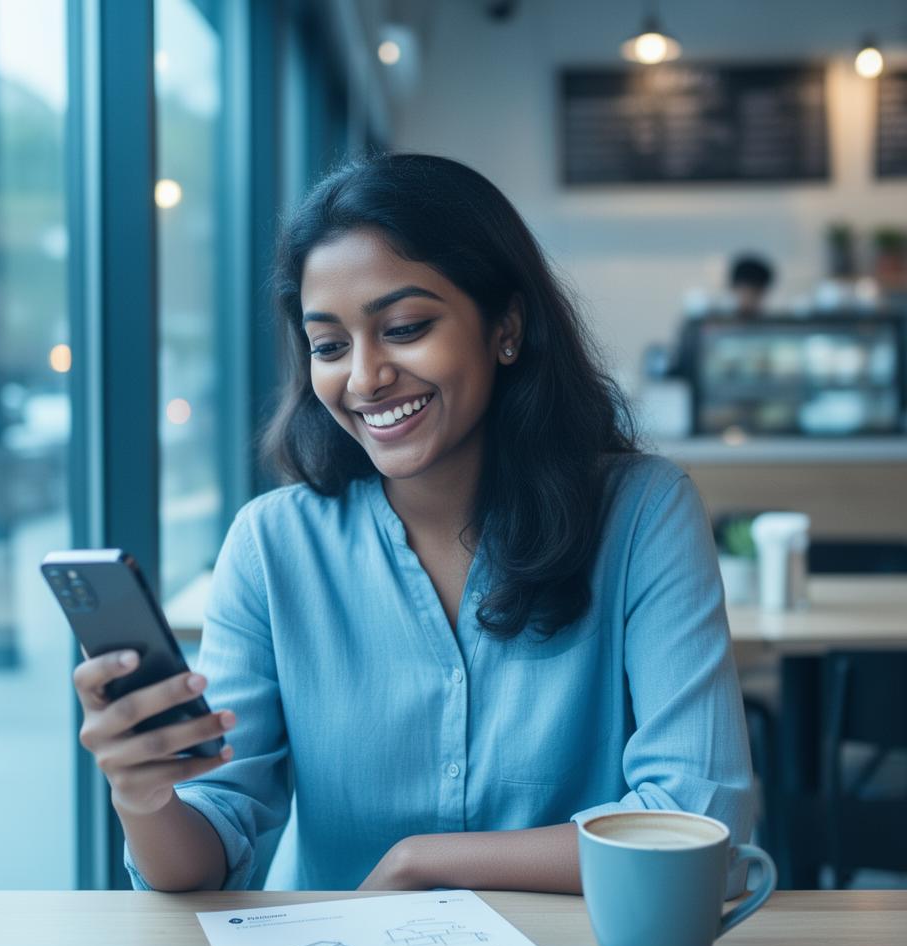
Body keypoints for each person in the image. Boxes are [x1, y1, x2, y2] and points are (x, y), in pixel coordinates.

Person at [73, 153, 753, 894]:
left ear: (507, 326)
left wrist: (419, 862)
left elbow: (697, 819)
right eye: (329, 346)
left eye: (404, 327)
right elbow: (209, 846)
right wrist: (142, 796)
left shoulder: (643, 513)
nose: (364, 378)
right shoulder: (271, 546)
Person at [669, 253, 776, 380]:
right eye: (749, 291)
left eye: (758, 293)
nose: (753, 299)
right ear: (735, 288)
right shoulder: (710, 325)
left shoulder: (770, 329)